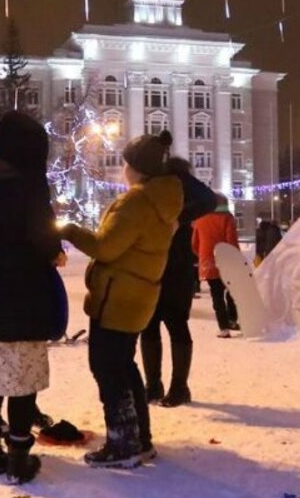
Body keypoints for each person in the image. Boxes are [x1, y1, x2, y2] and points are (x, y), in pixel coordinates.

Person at [63, 130, 182, 469]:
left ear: (137, 168)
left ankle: (123, 443)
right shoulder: (163, 199)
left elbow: (105, 247)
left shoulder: (137, 202)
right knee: (124, 366)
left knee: (108, 369)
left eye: (126, 163)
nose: (122, 169)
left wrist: (69, 229)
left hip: (117, 298)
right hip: (137, 297)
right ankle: (139, 439)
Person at [0, 111, 65, 483]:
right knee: (23, 381)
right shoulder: (28, 181)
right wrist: (55, 251)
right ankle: (19, 458)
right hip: (23, 295)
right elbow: (42, 232)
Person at [142, 157, 213, 407]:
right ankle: (153, 386)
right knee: (150, 326)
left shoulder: (176, 181)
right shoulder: (147, 183)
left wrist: (178, 219)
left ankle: (178, 387)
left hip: (175, 267)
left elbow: (208, 199)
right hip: (153, 265)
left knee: (174, 324)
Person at [192, 193, 240, 337]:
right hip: (226, 260)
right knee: (232, 291)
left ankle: (223, 328)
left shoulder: (200, 220)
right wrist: (236, 257)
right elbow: (231, 240)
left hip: (208, 262)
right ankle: (232, 319)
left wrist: (202, 255)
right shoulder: (227, 218)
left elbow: (194, 244)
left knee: (216, 295)